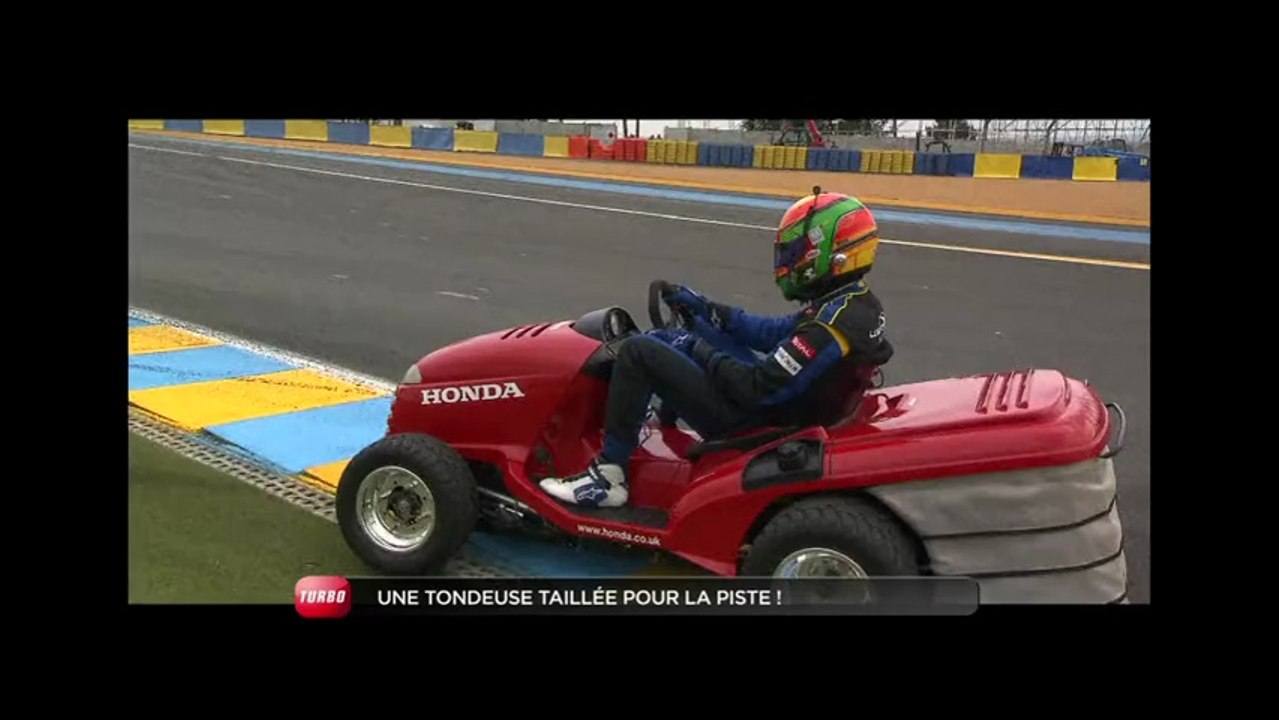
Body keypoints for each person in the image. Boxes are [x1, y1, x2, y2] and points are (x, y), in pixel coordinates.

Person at [539, 188, 893, 508]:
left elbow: (755, 388)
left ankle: (608, 477)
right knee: (699, 332)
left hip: (758, 424)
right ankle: (659, 416)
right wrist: (707, 310)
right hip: (792, 409)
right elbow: (771, 333)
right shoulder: (852, 304)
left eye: (796, 252)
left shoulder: (828, 327)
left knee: (637, 351)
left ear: (831, 254)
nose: (789, 261)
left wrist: (694, 347)